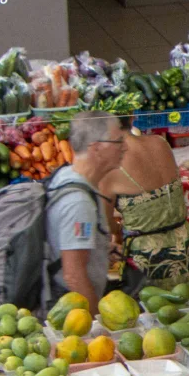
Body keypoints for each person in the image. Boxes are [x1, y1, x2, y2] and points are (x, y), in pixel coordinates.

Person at [78, 111, 189, 293]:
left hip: (150, 259)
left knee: (158, 315)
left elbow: (106, 224)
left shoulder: (110, 167)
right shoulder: (161, 143)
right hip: (186, 246)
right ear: (131, 119)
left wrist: (119, 234)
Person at [45, 119, 123, 314]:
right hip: (70, 310)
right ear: (96, 148)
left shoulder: (66, 174)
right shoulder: (79, 203)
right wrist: (97, 322)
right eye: (118, 141)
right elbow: (74, 276)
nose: (125, 148)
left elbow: (68, 236)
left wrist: (101, 245)